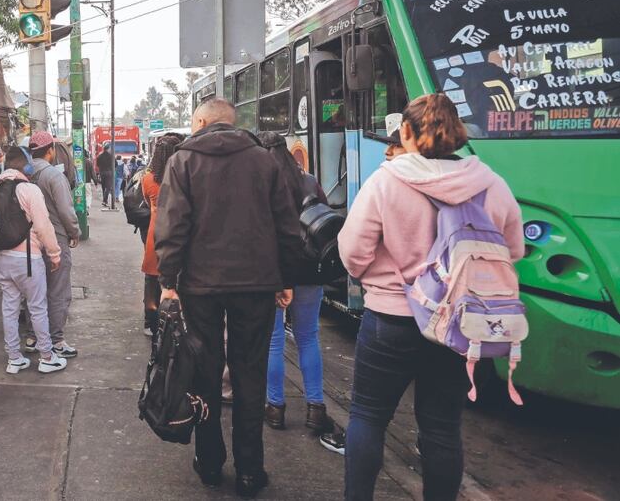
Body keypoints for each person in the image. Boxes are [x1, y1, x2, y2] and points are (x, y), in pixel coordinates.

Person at [338, 94, 524, 501]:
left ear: (405, 131)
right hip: (460, 322)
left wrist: (382, 278)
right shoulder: (490, 183)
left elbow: (353, 253)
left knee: (368, 417)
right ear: (456, 130)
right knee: (441, 426)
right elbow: (513, 251)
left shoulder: (387, 181)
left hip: (391, 318)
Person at [155, 99, 305, 498]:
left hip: (200, 286)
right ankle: (251, 471)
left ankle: (208, 463)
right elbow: (286, 223)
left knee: (204, 372)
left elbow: (172, 224)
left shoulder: (183, 161)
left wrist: (168, 279)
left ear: (202, 122)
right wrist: (285, 278)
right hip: (256, 285)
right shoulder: (264, 159)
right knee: (249, 375)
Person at [256, 132, 339, 447]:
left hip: (276, 273)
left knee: (274, 342)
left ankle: (275, 408)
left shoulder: (262, 184)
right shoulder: (309, 181)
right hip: (311, 271)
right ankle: (316, 408)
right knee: (308, 338)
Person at [0, 147, 68, 374]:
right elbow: (43, 226)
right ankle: (47, 356)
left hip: (4, 258)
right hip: (28, 259)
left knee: (9, 309)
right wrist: (54, 254)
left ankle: (14, 358)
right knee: (37, 307)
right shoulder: (29, 190)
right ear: (25, 166)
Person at [27, 131, 83, 359]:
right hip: (55, 239)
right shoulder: (53, 176)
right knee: (58, 291)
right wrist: (75, 232)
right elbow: (66, 211)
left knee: (33, 291)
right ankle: (57, 341)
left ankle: (32, 337)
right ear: (50, 151)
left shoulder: (23, 173)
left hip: (28, 241)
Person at [139, 133, 183, 336]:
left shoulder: (147, 179)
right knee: (177, 279)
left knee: (151, 279)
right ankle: (174, 320)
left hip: (154, 232)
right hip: (178, 230)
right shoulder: (182, 176)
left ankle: (151, 321)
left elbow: (148, 204)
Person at [96, 142, 114, 206]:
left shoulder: (99, 156)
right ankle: (104, 200)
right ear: (108, 149)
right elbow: (115, 164)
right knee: (108, 187)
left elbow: (97, 164)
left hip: (102, 172)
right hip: (109, 172)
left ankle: (105, 201)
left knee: (103, 186)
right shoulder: (111, 156)